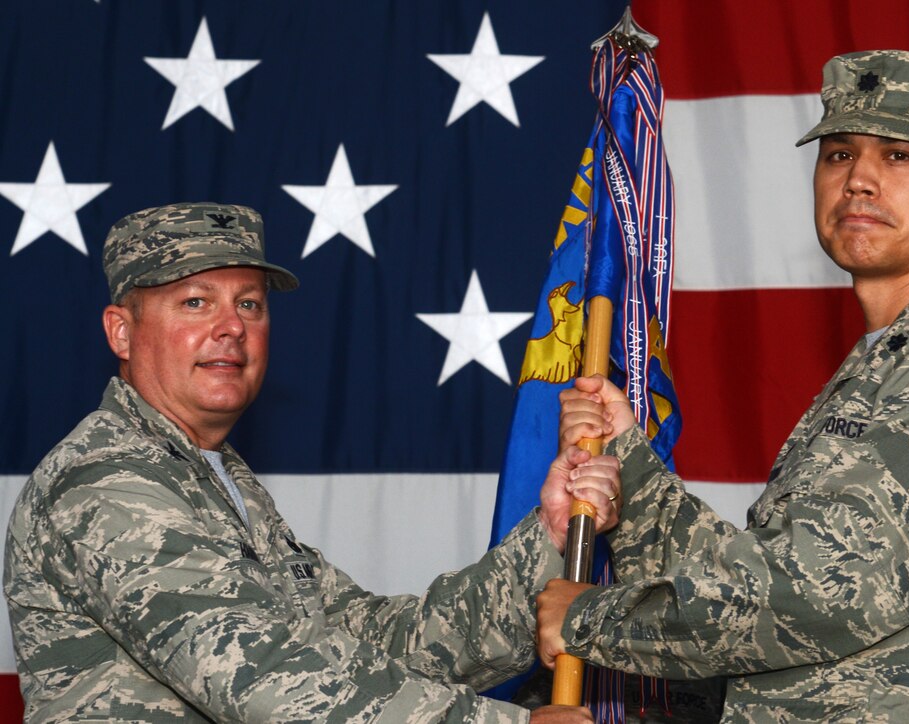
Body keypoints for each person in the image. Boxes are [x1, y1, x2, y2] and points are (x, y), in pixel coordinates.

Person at [538, 50, 909, 722]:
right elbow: (772, 575)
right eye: (840, 154)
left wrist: (593, 621)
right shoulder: (883, 366)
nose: (859, 180)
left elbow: (836, 589)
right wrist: (632, 469)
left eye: (899, 156)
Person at [4, 202, 623, 722]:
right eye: (194, 302)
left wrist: (548, 532)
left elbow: (378, 644)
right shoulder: (106, 482)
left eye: (249, 304)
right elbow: (262, 677)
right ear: (121, 332)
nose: (230, 328)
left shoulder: (217, 477)